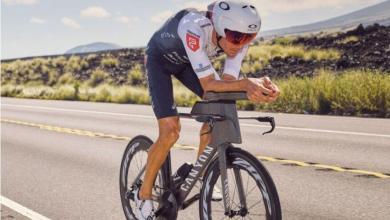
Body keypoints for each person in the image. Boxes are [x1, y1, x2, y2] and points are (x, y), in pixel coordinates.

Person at [135, 1, 280, 219]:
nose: (240, 44)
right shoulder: (194, 27)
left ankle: (201, 174)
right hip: (160, 60)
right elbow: (210, 84)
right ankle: (143, 194)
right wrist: (246, 83)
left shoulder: (238, 38)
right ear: (220, 27)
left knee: (219, 109)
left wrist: (259, 89)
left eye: (248, 38)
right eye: (235, 37)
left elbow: (228, 83)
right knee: (170, 131)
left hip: (187, 63)